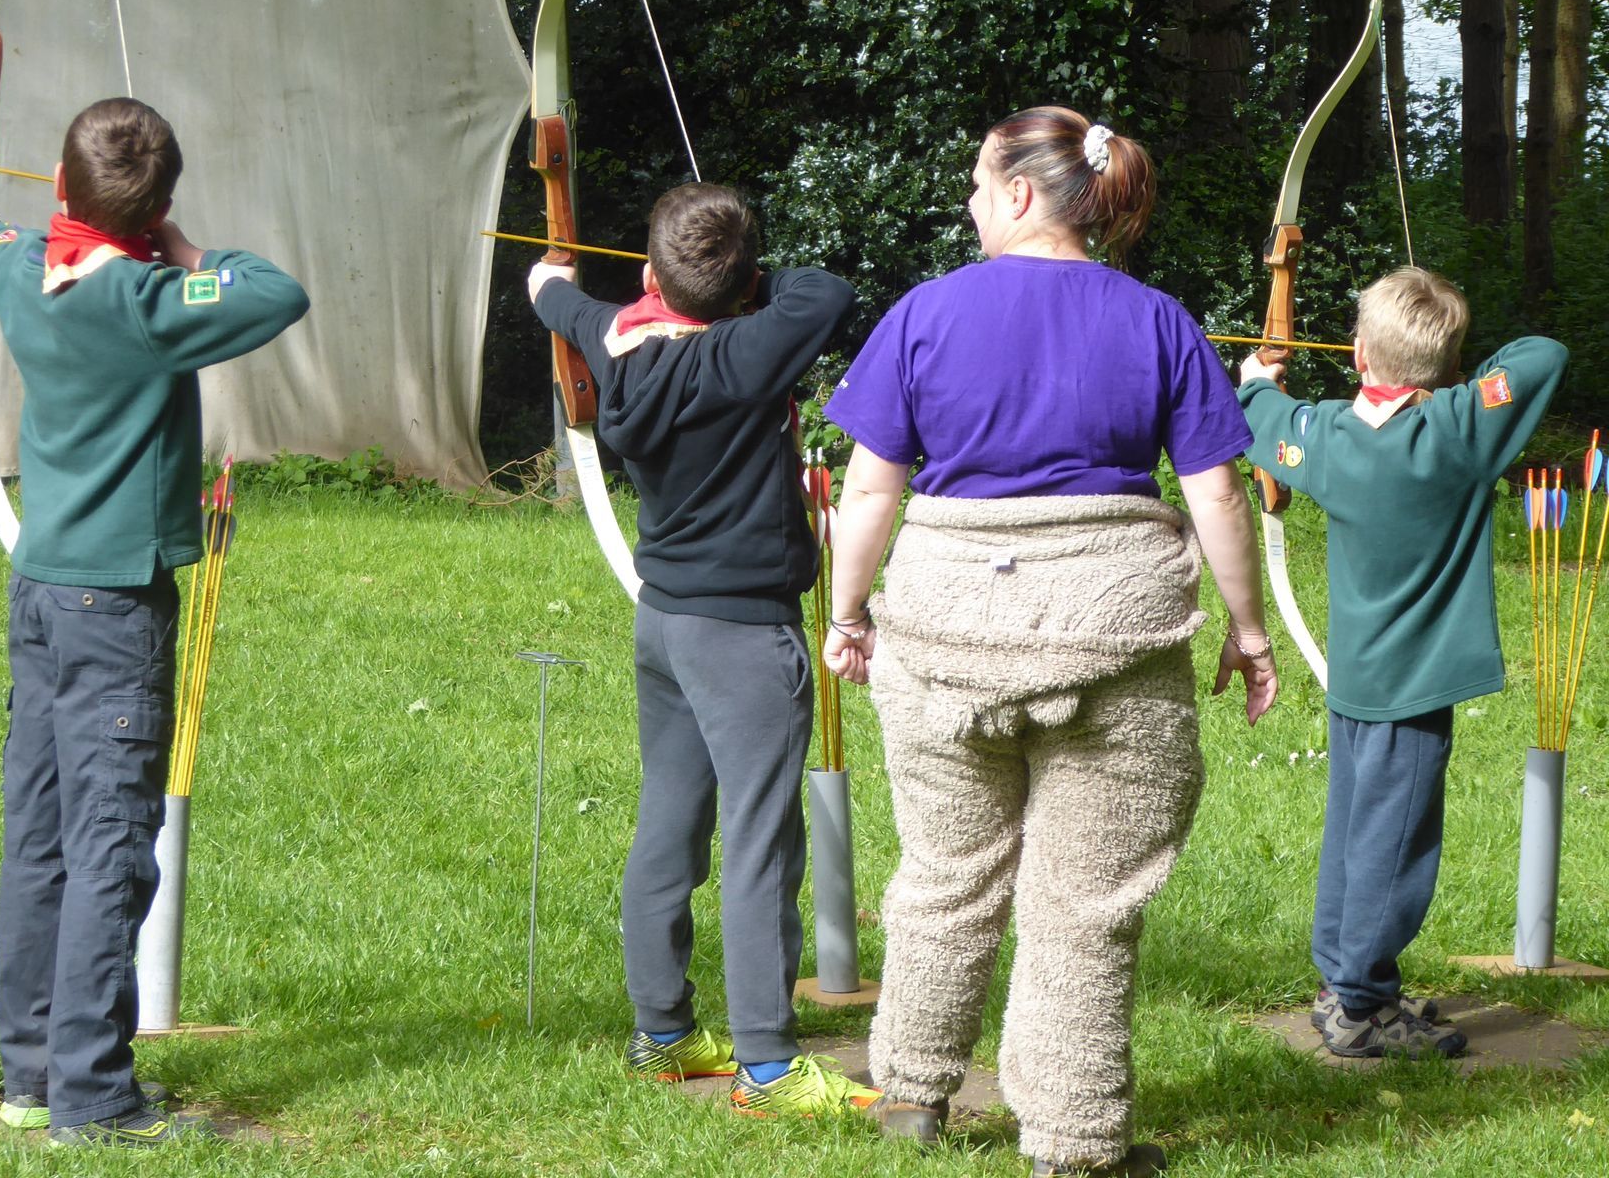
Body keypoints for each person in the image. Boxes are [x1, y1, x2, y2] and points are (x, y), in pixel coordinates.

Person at [820, 107, 1277, 1176]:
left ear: (1022, 193)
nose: (972, 202)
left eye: (980, 184)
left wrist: (848, 614)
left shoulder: (926, 313)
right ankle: (1074, 1146)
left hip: (944, 643)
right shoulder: (1161, 320)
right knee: (1085, 908)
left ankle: (912, 1098)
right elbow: (1214, 492)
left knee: (943, 873)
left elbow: (872, 487)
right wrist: (1249, 632)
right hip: (1114, 641)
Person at [0, 97, 309, 1147]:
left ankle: (32, 1075)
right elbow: (276, 291)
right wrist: (180, 240)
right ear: (153, 212)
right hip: (115, 604)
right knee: (109, 842)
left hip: (43, 595)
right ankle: (93, 1098)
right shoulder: (152, 299)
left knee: (43, 837)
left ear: (60, 189)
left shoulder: (16, 265)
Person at [526, 182, 877, 1117]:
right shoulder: (742, 352)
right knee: (762, 839)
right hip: (741, 635)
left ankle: (664, 1035)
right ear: (746, 287)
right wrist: (752, 280)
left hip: (666, 621)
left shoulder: (618, 338)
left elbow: (562, 298)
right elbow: (829, 293)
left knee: (671, 820)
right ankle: (766, 1063)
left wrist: (551, 282)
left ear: (649, 278)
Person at [1238, 270, 1566, 1059]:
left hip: (1354, 682)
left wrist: (1254, 381)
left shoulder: (1322, 438)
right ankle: (1361, 1009)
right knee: (1396, 850)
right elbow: (1542, 355)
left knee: (1357, 831)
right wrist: (1456, 376)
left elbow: (1262, 417)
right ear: (1450, 371)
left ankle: (1341, 982)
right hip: (1415, 689)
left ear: (1355, 355)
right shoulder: (1458, 428)